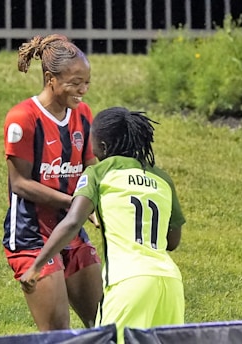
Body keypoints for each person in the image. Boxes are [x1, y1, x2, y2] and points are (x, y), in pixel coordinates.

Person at [20, 107, 186, 343]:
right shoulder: (162, 178)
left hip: (127, 282)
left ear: (104, 148)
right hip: (170, 283)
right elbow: (173, 241)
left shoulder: (98, 173)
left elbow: (72, 222)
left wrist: (36, 267)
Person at [2, 34, 103, 331]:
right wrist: (76, 204)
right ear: (50, 79)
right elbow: (19, 183)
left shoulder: (83, 115)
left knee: (103, 324)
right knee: (58, 335)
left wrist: (94, 203)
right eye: (75, 82)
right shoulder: (23, 118)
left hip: (71, 229)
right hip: (31, 237)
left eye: (87, 82)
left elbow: (89, 169)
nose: (83, 90)